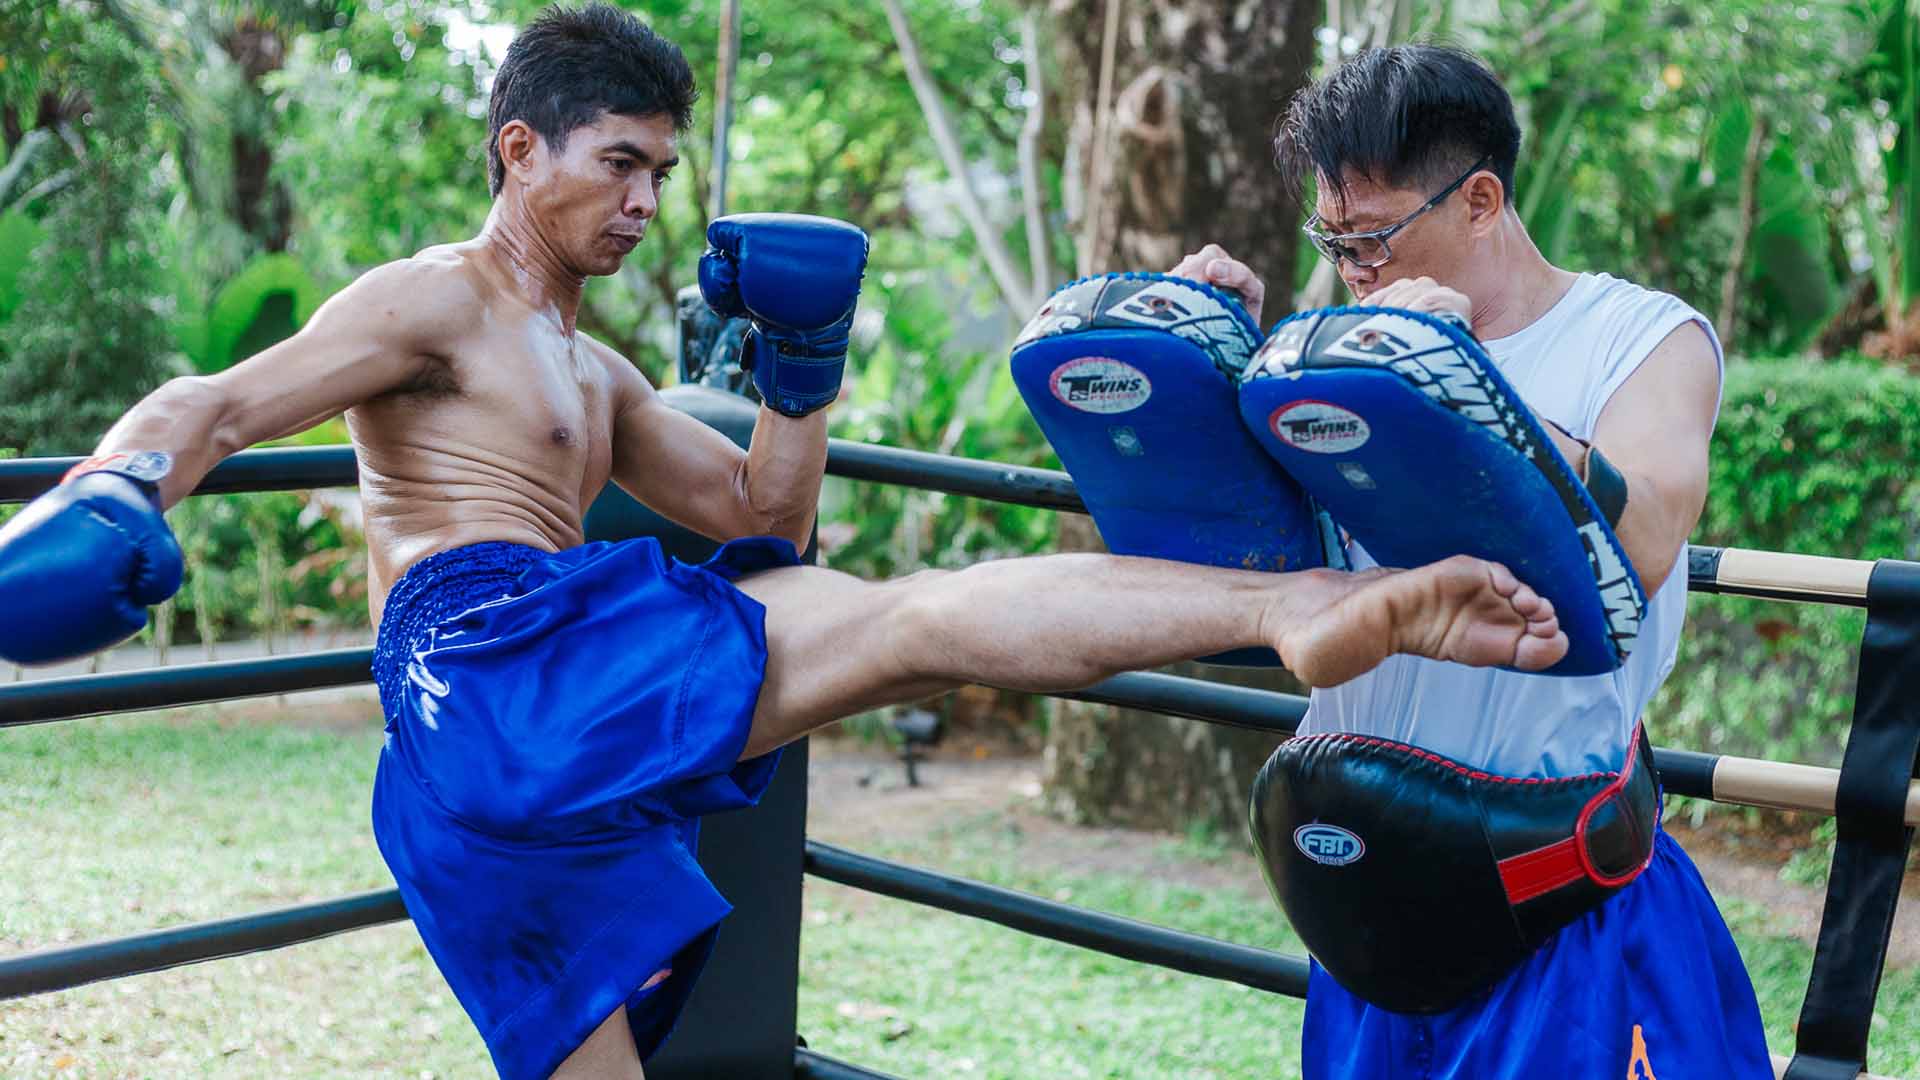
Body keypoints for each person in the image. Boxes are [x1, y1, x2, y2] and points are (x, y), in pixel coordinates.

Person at [0, 11, 1572, 1079]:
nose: (643, 201)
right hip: (496, 664)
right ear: (516, 155)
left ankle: (1304, 599)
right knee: (909, 621)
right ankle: (1302, 599)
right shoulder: (435, 300)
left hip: (501, 767)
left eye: (661, 174)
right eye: (617, 161)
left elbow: (765, 517)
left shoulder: (596, 371)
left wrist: (802, 371)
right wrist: (114, 489)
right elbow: (216, 400)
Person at [1171, 43, 1772, 1078]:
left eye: (1374, 240)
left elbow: (1648, 533)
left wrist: (1449, 378)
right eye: (1337, 243)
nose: (1357, 273)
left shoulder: (1642, 339)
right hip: (1361, 907)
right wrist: (1217, 364)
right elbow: (1249, 577)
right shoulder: (1342, 349)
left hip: (1554, 910)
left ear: (1481, 199)